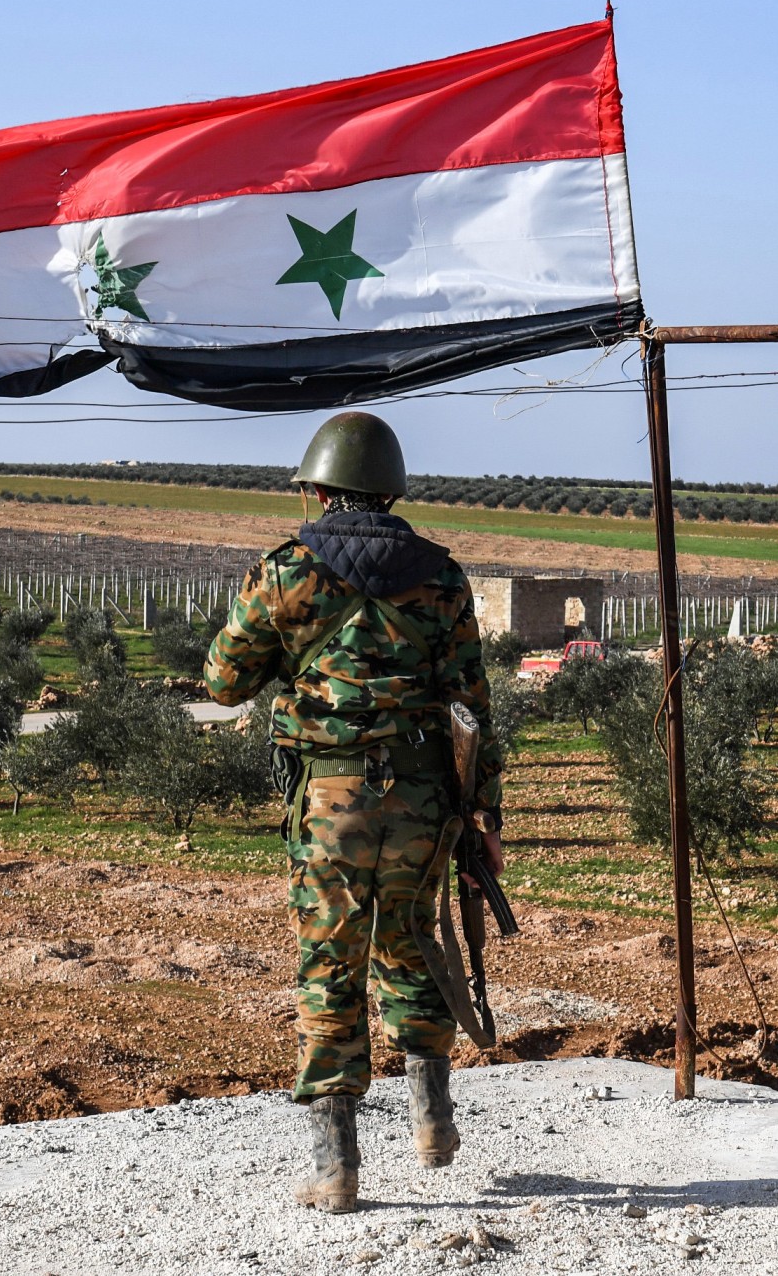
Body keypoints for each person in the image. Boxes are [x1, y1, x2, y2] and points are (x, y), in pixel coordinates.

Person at [204, 412, 503, 1213]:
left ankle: (335, 1167)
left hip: (330, 801)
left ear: (317, 490)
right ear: (390, 492)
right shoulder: (442, 576)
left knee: (329, 961)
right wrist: (486, 819)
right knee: (414, 944)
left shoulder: (283, 572)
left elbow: (223, 683)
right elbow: (471, 707)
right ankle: (432, 1122)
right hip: (424, 803)